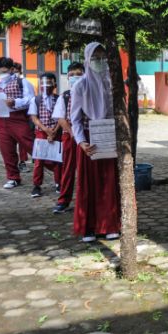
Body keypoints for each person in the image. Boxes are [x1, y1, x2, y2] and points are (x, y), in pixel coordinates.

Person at [70, 43, 121, 242]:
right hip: (89, 143)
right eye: (94, 58)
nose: (99, 62)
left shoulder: (112, 84)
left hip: (109, 138)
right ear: (87, 60)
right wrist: (81, 142)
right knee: (88, 185)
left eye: (102, 57)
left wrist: (118, 138)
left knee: (108, 183)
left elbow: (117, 114)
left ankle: (109, 225)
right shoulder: (80, 86)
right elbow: (74, 119)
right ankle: (89, 228)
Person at [0, 57, 35, 188]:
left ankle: (57, 172)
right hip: (1, 119)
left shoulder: (22, 82)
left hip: (18, 118)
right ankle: (13, 177)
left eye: (4, 71)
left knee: (32, 146)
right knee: (6, 150)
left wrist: (15, 102)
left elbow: (31, 99)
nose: (2, 74)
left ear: (12, 70)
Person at [51, 62, 85, 214]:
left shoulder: (90, 94)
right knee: (68, 170)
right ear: (67, 77)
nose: (75, 77)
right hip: (70, 137)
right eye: (71, 75)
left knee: (87, 170)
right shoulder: (65, 96)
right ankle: (63, 201)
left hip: (88, 137)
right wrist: (73, 133)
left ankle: (86, 201)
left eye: (79, 74)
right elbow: (60, 118)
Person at [28, 72, 61, 198]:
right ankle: (37, 185)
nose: (46, 86)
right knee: (39, 160)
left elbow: (61, 116)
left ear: (54, 84)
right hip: (41, 132)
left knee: (58, 159)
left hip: (56, 131)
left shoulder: (59, 99)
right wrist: (46, 130)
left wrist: (54, 130)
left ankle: (59, 183)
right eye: (43, 83)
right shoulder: (35, 100)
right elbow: (34, 118)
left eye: (49, 83)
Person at [11, 61, 34, 173]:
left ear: (20, 72)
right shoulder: (6, 84)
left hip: (24, 115)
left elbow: (31, 100)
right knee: (12, 141)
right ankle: (14, 163)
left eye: (16, 71)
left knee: (23, 140)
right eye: (12, 71)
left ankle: (23, 162)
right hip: (10, 116)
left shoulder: (24, 83)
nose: (14, 73)